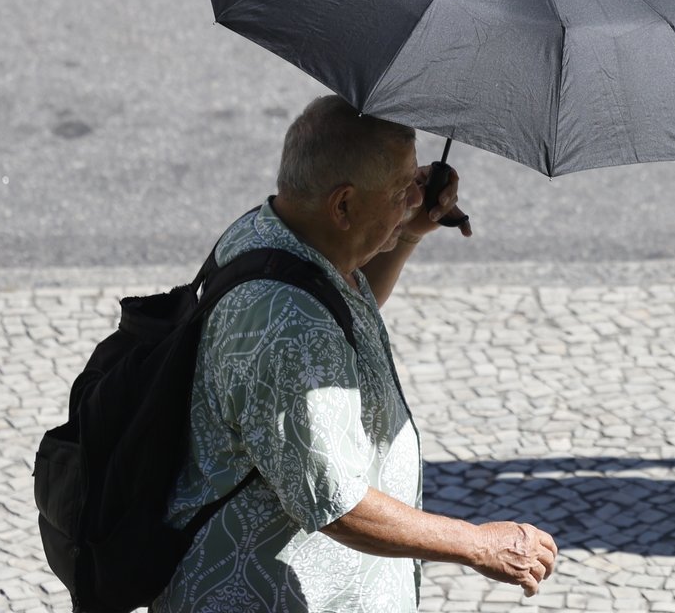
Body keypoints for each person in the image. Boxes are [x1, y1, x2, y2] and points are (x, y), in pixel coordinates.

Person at [153, 95, 557, 610]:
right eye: (401, 190)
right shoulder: (287, 325)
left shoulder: (278, 234)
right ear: (343, 205)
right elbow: (337, 503)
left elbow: (349, 311)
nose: (416, 196)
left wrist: (404, 230)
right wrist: (479, 544)